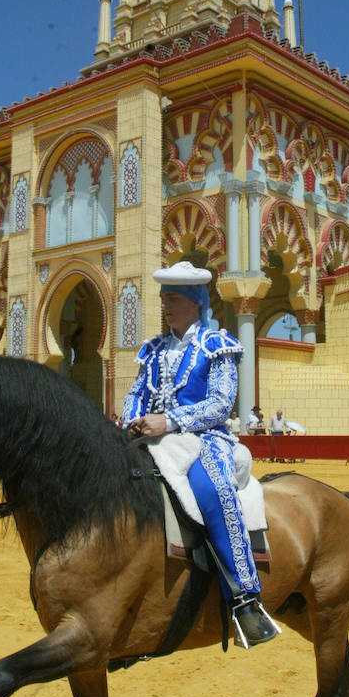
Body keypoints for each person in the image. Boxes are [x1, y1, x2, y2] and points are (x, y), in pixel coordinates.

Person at [122, 261, 280, 648]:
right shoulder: (153, 351)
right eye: (163, 299)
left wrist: (170, 421)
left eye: (173, 299)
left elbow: (220, 403)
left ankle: (244, 598)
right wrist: (132, 420)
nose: (166, 306)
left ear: (195, 302)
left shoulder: (216, 344)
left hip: (204, 438)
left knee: (211, 490)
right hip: (151, 437)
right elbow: (135, 394)